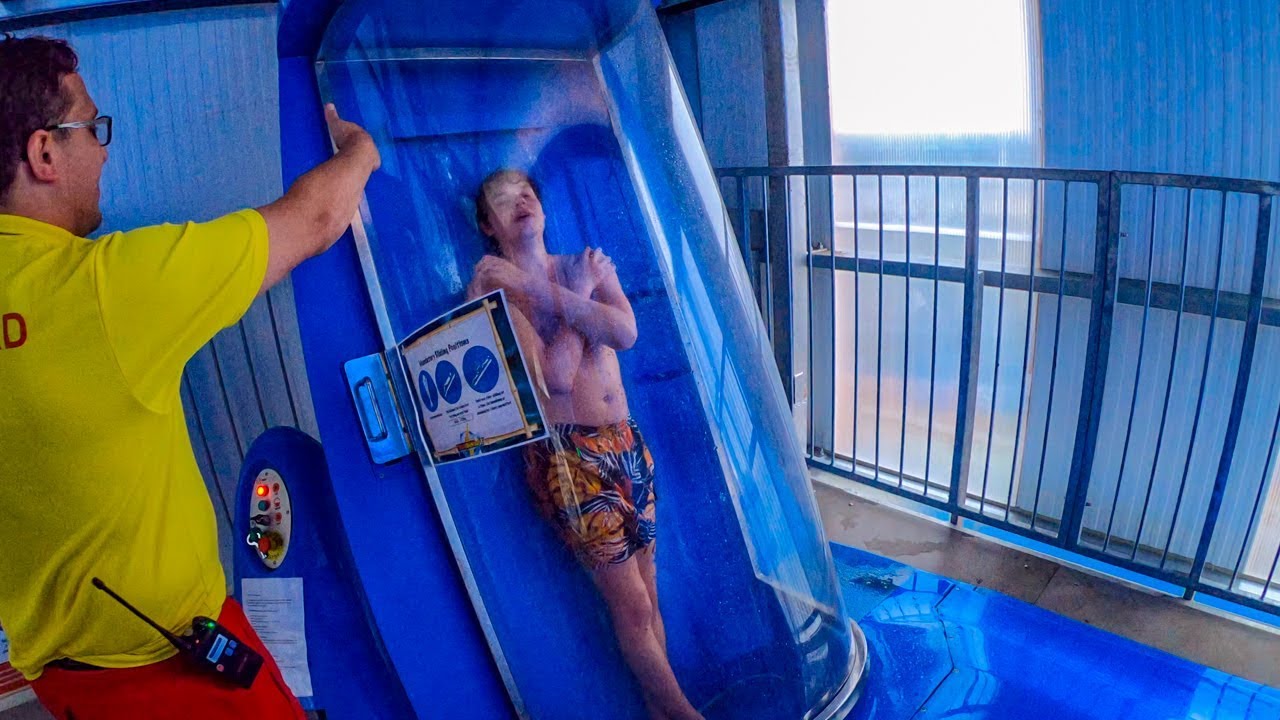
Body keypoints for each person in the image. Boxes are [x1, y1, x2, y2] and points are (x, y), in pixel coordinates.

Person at [0, 35, 380, 719]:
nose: (104, 151)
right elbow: (317, 217)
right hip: (173, 676)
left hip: (67, 688)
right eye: (92, 127)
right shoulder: (105, 290)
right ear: (44, 153)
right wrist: (362, 150)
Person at [467, 169, 703, 720]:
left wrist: (556, 290)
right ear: (488, 225)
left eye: (526, 191)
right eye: (503, 197)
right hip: (569, 458)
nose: (520, 199)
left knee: (649, 592)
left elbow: (625, 332)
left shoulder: (585, 262)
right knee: (632, 606)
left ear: (544, 207)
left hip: (625, 442)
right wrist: (576, 295)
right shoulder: (499, 295)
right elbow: (555, 377)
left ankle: (660, 714)